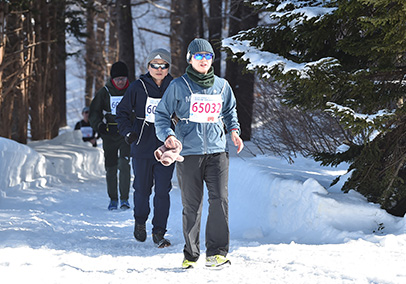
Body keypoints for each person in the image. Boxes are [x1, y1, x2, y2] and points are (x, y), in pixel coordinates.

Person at [154, 38, 244, 268]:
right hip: (189, 153)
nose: (203, 60)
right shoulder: (178, 86)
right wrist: (168, 135)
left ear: (212, 60)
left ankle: (216, 254)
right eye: (199, 56)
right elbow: (162, 115)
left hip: (217, 152)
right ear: (190, 59)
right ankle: (191, 255)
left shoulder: (222, 86)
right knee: (192, 205)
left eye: (208, 56)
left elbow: (230, 110)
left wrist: (234, 131)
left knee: (220, 201)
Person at [116, 49, 175, 248]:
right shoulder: (137, 87)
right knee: (142, 189)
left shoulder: (176, 87)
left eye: (163, 65)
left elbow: (185, 113)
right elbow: (121, 112)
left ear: (168, 67)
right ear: (148, 66)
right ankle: (140, 221)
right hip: (141, 146)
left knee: (162, 191)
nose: (159, 69)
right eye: (154, 65)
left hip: (167, 147)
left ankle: (159, 231)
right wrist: (128, 133)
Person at [89, 61, 131, 211]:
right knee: (111, 167)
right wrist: (100, 126)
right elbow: (94, 112)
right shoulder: (105, 92)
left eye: (123, 78)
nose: (121, 81)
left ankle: (124, 198)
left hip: (126, 135)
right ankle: (113, 198)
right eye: (117, 79)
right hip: (109, 135)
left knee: (124, 164)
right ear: (112, 79)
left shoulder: (132, 90)